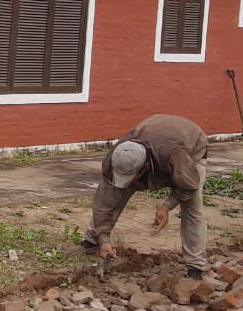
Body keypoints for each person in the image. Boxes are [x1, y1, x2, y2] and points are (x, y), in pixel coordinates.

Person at [83, 114, 210, 278]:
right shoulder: (116, 158)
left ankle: (195, 265)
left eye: (131, 176)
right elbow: (104, 203)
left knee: (192, 207)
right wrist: (104, 238)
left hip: (191, 148)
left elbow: (189, 185)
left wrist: (167, 205)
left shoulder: (174, 156)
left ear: (145, 167)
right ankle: (92, 240)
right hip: (156, 135)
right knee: (117, 191)